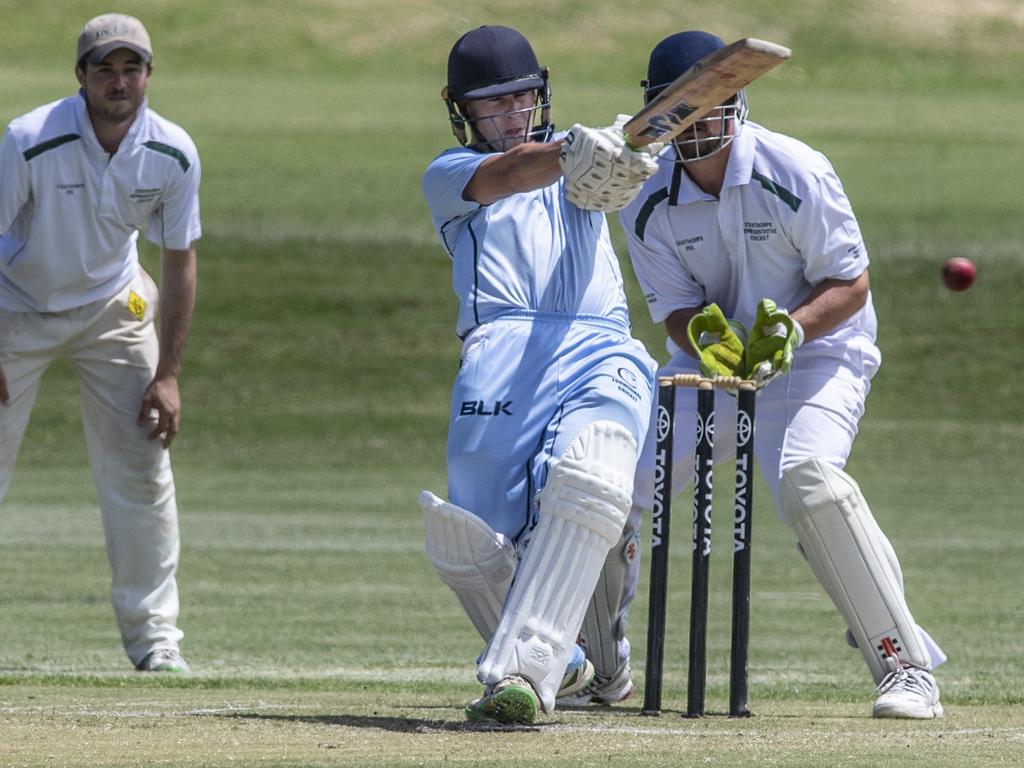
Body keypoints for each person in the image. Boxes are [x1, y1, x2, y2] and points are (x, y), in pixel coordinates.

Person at [619, 31, 946, 718]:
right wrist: (703, 337)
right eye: (683, 108)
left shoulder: (794, 169)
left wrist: (792, 329)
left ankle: (905, 666)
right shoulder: (645, 199)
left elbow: (851, 283)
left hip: (820, 351)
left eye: (710, 105)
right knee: (610, 484)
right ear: (658, 113)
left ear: (735, 103)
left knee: (807, 478)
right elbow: (675, 308)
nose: (698, 121)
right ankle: (594, 662)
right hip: (707, 369)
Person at [419, 25, 661, 724]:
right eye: (493, 105)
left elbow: (608, 178)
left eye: (523, 98)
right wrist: (572, 151)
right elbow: (515, 172)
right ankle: (575, 661)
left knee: (591, 479)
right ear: (461, 110)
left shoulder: (586, 171)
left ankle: (526, 671)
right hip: (499, 351)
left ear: (542, 93)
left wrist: (624, 155)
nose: (511, 115)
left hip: (599, 346)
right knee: (466, 538)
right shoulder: (451, 174)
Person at [0, 13, 200, 674]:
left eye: (131, 67)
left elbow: (178, 261)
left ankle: (155, 642)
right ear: (81, 76)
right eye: (105, 69)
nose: (120, 81)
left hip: (114, 308)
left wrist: (167, 374)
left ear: (148, 74)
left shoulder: (172, 151)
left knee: (143, 470)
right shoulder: (27, 139)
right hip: (14, 308)